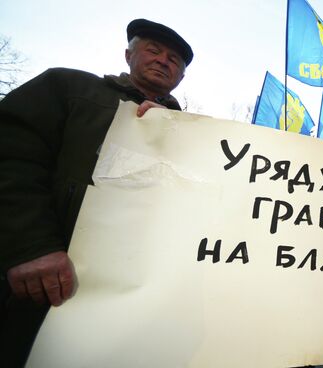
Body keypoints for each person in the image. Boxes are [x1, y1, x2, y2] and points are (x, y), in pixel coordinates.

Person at [0, 18, 193, 367]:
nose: (165, 60)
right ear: (128, 55)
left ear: (180, 78)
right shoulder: (68, 88)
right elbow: (12, 156)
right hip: (46, 289)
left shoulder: (196, 136)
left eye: (175, 60)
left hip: (139, 307)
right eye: (154, 50)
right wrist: (31, 246)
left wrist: (172, 134)